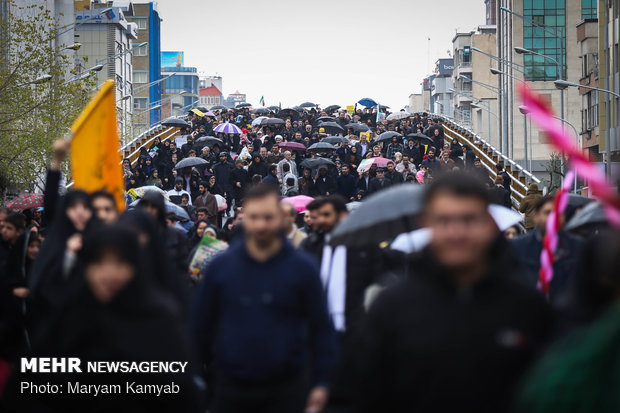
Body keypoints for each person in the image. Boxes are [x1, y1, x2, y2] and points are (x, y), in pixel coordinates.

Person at [347, 173, 551, 413]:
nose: (456, 233)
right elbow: (364, 394)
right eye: (444, 220)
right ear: (427, 225)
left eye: (469, 220)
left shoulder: (526, 306)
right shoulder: (392, 306)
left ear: (489, 225)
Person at [190, 184, 336, 413]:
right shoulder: (222, 267)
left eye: (268, 217)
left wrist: (323, 382)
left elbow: (321, 328)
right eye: (254, 217)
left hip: (288, 388)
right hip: (231, 387)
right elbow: (200, 327)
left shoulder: (302, 268)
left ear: (280, 217)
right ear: (244, 218)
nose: (261, 225)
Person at [510, 194, 584, 303]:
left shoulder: (577, 246)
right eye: (548, 213)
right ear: (536, 216)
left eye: (558, 213)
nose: (554, 217)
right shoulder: (518, 246)